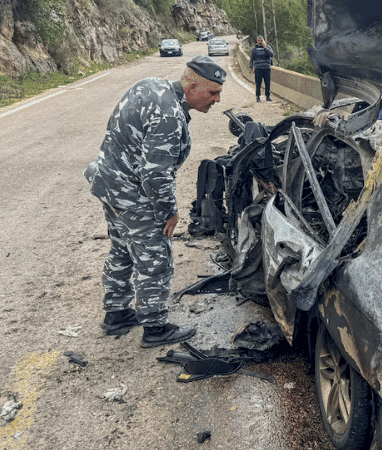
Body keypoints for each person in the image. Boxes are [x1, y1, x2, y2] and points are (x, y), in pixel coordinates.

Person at [84, 55, 225, 348]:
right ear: (191, 85)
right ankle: (156, 327)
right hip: (133, 193)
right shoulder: (170, 116)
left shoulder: (152, 86)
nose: (217, 100)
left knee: (122, 249)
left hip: (109, 184)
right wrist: (168, 213)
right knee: (156, 260)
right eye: (212, 92)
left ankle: (117, 313)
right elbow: (155, 174)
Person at [250, 35, 274, 102]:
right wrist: (250, 67)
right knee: (258, 83)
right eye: (258, 40)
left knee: (267, 83)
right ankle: (258, 97)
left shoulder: (268, 47)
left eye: (261, 40)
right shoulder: (254, 49)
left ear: (263, 41)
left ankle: (268, 96)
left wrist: (265, 48)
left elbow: (272, 55)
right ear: (257, 41)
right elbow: (252, 59)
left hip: (266, 68)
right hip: (258, 68)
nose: (260, 42)